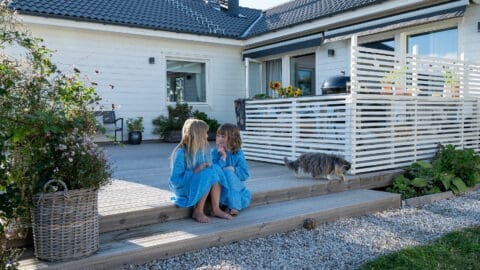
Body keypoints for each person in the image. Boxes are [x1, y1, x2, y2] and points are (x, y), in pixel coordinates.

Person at [169, 118, 232, 223]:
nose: (207, 136)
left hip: (197, 183)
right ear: (196, 135)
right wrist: (195, 170)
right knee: (208, 173)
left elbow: (212, 169)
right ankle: (198, 211)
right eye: (205, 133)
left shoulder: (201, 151)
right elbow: (175, 180)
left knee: (213, 169)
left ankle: (216, 209)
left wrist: (222, 159)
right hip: (183, 187)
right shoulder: (181, 153)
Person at [211, 123, 251, 216]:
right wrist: (223, 157)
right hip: (221, 186)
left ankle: (233, 206)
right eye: (218, 136)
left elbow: (245, 174)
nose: (220, 138)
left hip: (237, 189)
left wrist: (234, 169)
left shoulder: (239, 153)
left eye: (223, 136)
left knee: (228, 173)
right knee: (226, 172)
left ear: (232, 138)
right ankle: (230, 206)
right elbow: (215, 171)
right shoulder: (214, 152)